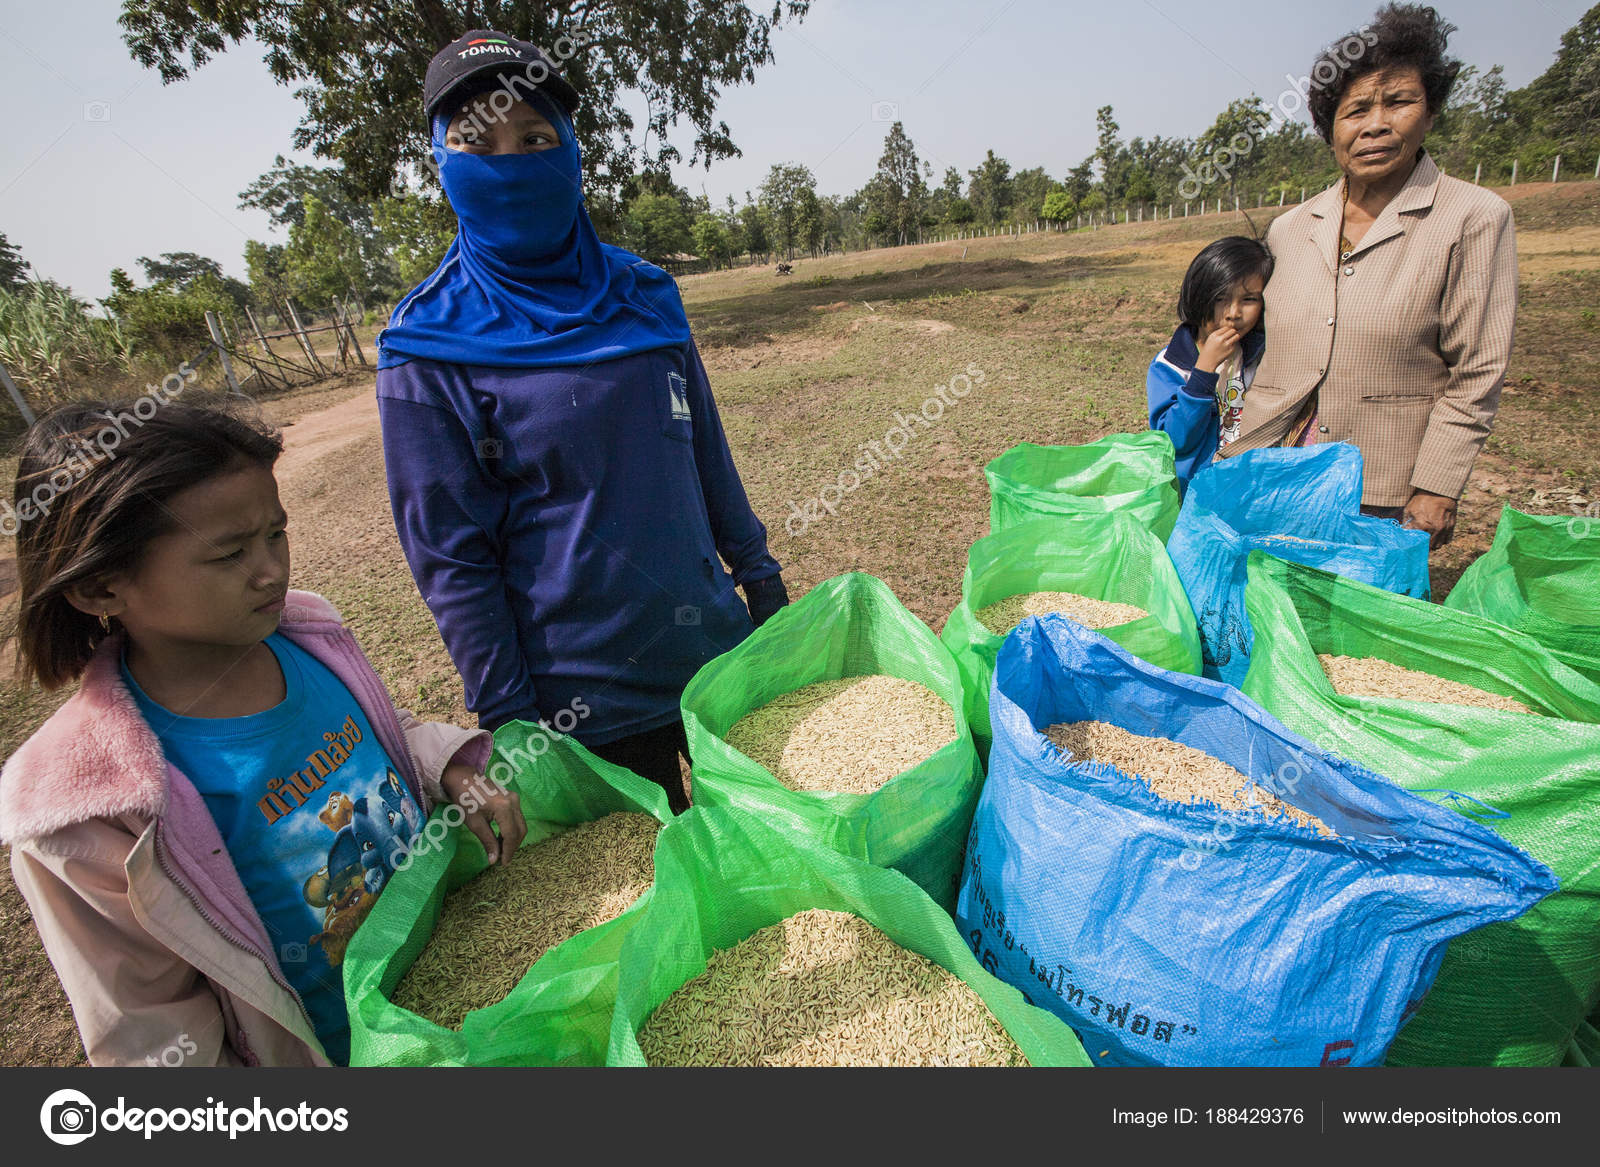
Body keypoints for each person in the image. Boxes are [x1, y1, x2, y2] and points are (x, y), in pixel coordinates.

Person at [1, 402, 524, 1066]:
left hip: (469, 996)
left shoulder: (309, 641)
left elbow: (385, 735)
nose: (271, 570)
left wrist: (449, 766)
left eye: (275, 534)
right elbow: (151, 1037)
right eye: (229, 553)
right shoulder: (91, 812)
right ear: (103, 586)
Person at [376, 30, 788, 814]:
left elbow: (705, 453)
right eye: (479, 143)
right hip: (586, 712)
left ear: (569, 150)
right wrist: (510, 716)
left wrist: (761, 581)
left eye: (534, 138)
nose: (511, 163)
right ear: (443, 163)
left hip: (717, 657)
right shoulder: (427, 346)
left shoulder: (645, 295)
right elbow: (453, 560)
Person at [1220, 3, 1516, 549]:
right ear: (1330, 130)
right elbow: (1251, 343)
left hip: (1383, 480)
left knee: (1357, 623)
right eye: (1355, 110)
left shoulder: (1472, 217)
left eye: (1398, 102)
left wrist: (1437, 485)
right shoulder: (1291, 227)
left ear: (1429, 114)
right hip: (1274, 464)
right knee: (1267, 615)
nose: (1375, 123)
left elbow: (1477, 371)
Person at [1147, 236, 1272, 489]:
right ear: (1198, 295)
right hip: (1194, 496)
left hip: (1246, 490)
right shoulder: (1168, 366)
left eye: (1249, 300)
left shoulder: (1262, 356)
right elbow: (1174, 441)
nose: (1233, 313)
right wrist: (1203, 372)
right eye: (1220, 298)